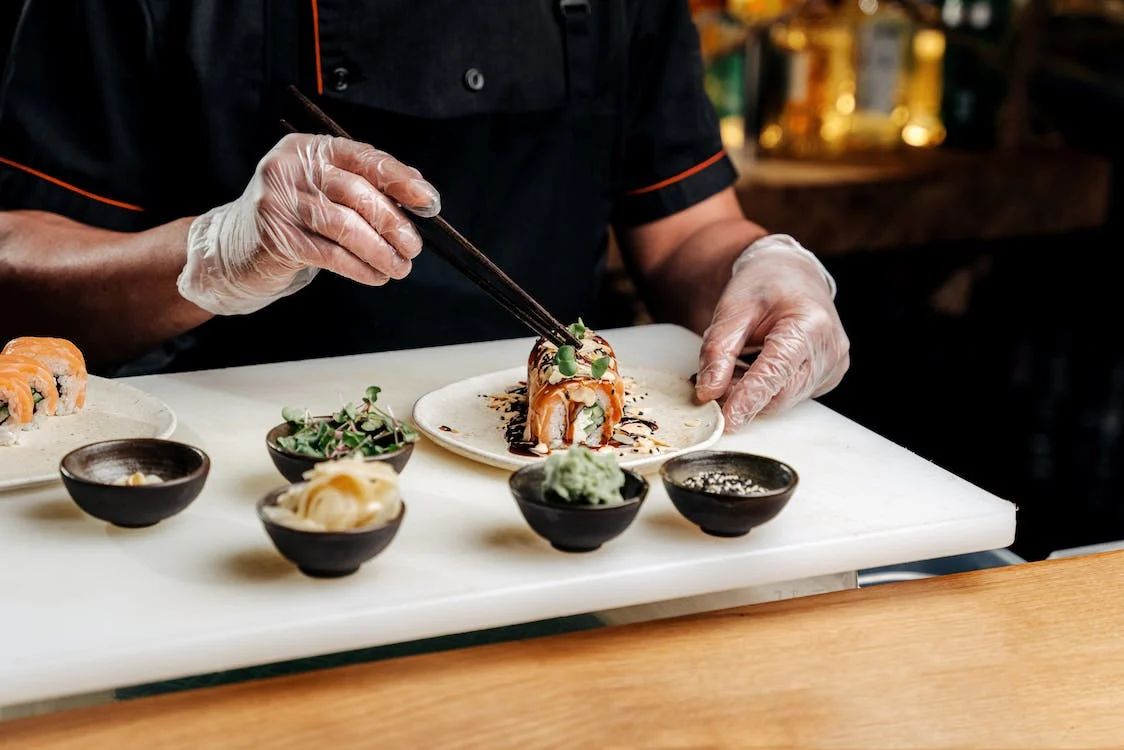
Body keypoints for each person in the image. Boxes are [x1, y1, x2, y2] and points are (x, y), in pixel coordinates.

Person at [0, 0, 848, 431]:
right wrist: (214, 254)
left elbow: (691, 229)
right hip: (229, 480)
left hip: (557, 467)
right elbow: (19, 262)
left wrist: (766, 270)